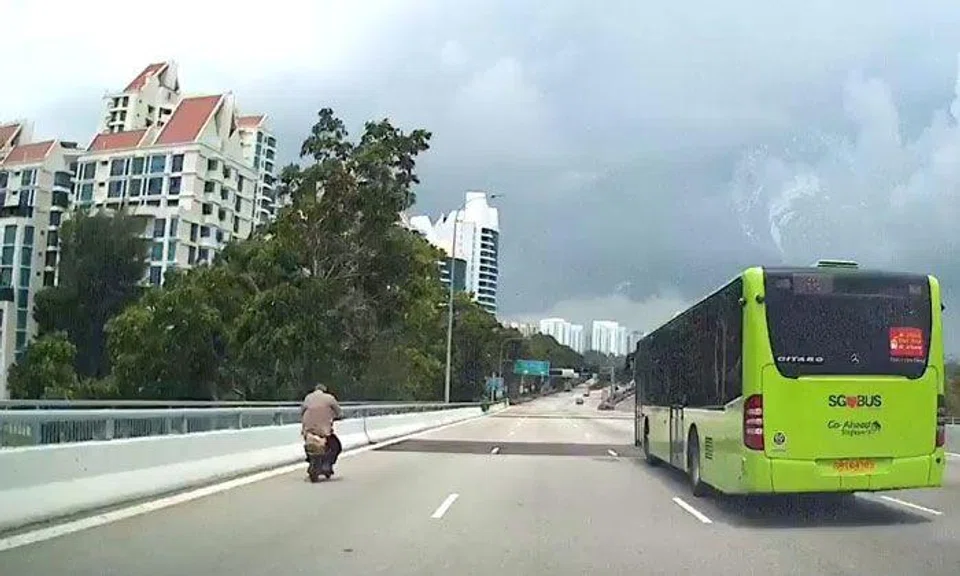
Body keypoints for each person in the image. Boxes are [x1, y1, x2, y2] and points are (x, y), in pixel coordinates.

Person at [300, 384, 343, 473]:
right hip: (323, 430)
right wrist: (338, 416)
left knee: (309, 444)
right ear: (324, 390)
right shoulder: (330, 398)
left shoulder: (308, 398)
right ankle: (327, 464)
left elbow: (301, 411)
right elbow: (339, 413)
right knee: (336, 446)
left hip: (308, 429)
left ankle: (310, 459)